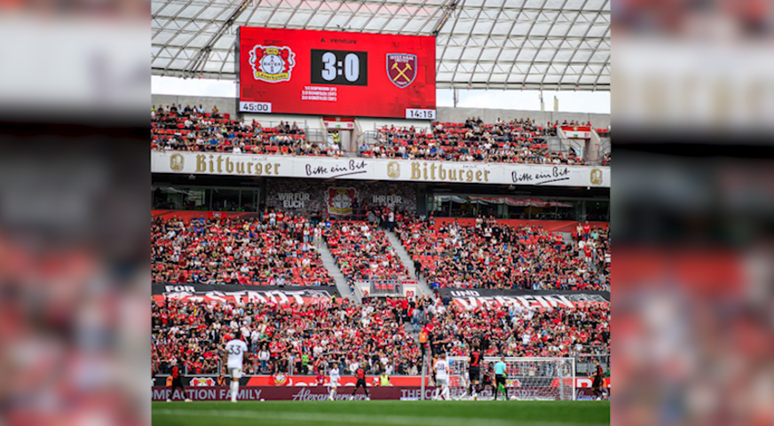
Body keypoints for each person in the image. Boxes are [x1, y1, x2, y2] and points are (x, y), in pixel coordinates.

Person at [224, 334, 248, 403]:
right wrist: (247, 361)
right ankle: (233, 398)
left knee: (232, 379)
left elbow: (225, 353)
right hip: (237, 364)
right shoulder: (242, 344)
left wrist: (223, 363)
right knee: (236, 380)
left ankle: (232, 396)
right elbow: (246, 355)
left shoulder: (229, 343)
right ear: (240, 337)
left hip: (229, 363)